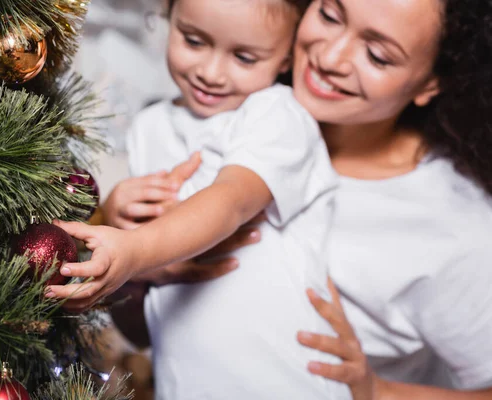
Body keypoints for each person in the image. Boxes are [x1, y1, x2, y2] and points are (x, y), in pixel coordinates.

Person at [92, 0, 492, 398]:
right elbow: (148, 331)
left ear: (431, 82)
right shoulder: (218, 111)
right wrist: (141, 262)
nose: (330, 57)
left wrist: (379, 391)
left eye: (377, 55)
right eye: (330, 16)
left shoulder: (458, 227)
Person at [48, 0, 352, 398]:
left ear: (285, 56)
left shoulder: (279, 113)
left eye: (244, 57)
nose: (210, 72)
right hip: (185, 381)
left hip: (286, 379)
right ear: (169, 19)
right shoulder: (149, 126)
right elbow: (153, 259)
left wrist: (133, 250)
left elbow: (231, 201)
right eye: (193, 40)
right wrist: (120, 212)